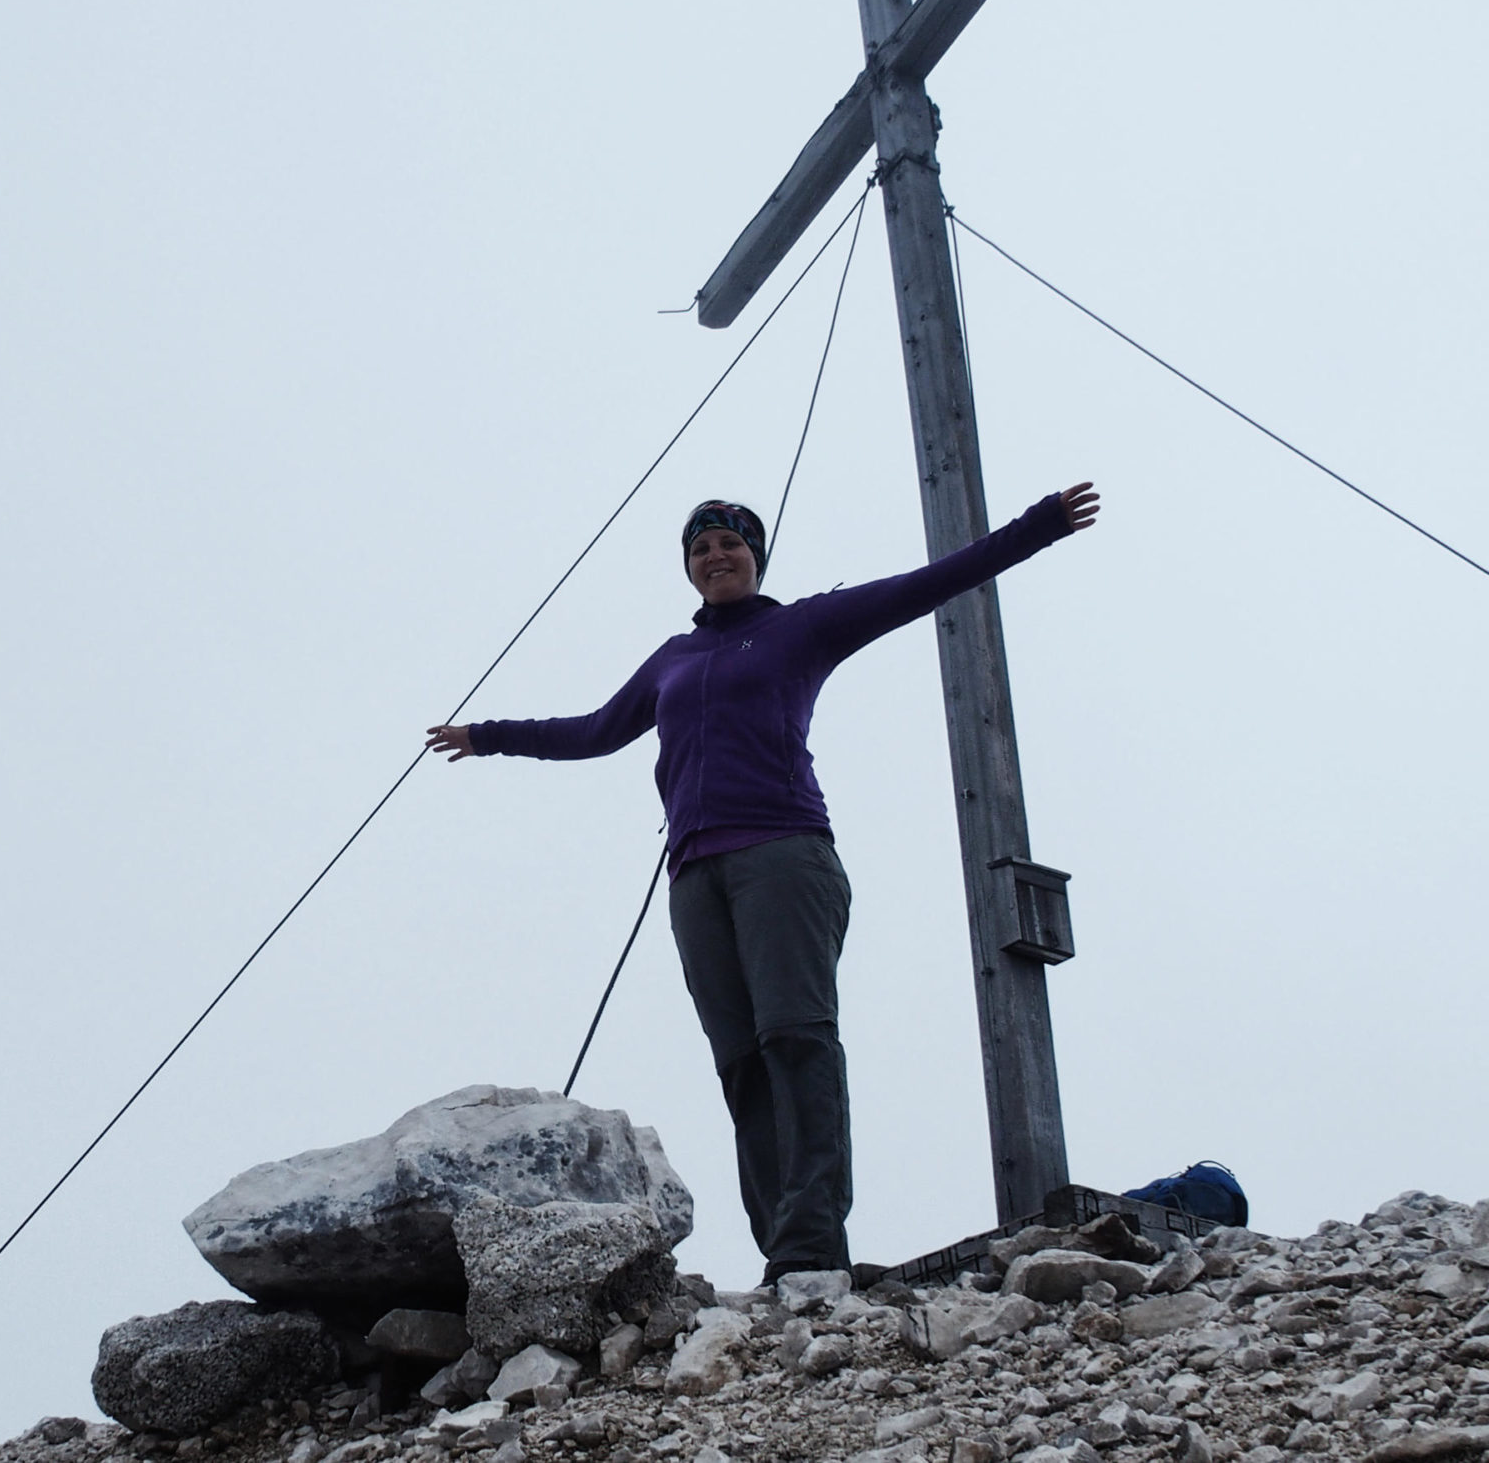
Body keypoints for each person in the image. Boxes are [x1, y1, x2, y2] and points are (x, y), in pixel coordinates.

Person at [424, 482, 1100, 1283]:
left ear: (755, 556)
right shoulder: (672, 660)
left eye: (731, 543)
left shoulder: (801, 626)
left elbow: (930, 583)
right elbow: (595, 731)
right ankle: (787, 1248)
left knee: (797, 1038)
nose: (716, 554)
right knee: (742, 1062)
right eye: (701, 548)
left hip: (784, 853)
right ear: (690, 568)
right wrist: (491, 735)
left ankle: (814, 1241)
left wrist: (1039, 527)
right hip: (695, 877)